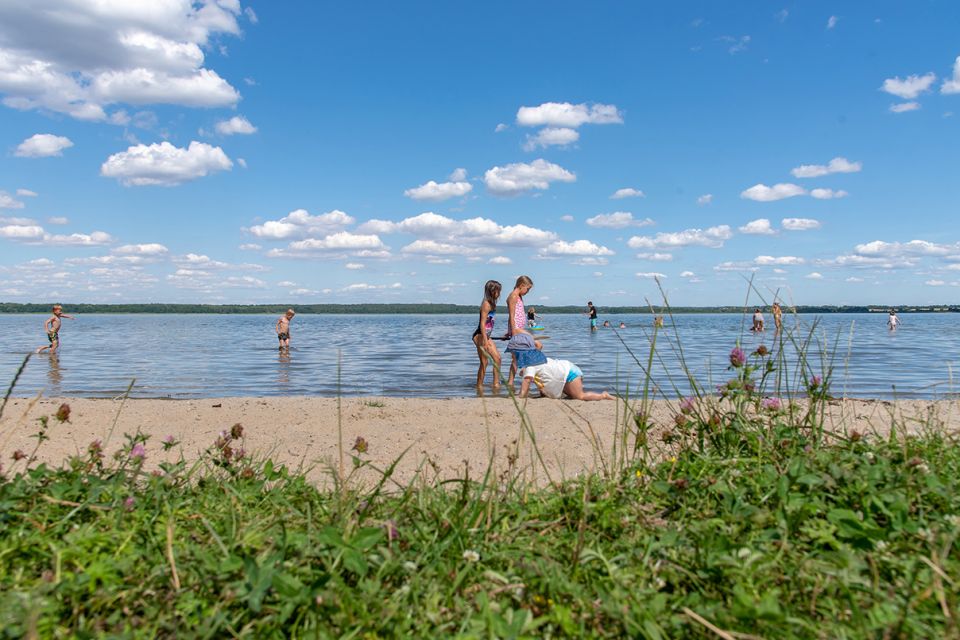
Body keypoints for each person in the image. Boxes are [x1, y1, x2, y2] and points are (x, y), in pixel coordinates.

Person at [512, 340, 612, 401]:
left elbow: (527, 380)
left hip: (570, 373)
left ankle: (603, 395)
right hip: (566, 371)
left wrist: (521, 395)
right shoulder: (535, 358)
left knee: (580, 396)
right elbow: (539, 345)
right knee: (568, 395)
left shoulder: (531, 365)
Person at [506, 275, 539, 385]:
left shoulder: (519, 296)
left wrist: (509, 331)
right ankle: (525, 369)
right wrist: (513, 331)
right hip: (516, 329)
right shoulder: (513, 296)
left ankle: (510, 382)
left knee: (515, 358)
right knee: (538, 345)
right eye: (528, 289)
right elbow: (511, 315)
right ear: (521, 285)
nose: (528, 291)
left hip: (517, 329)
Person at [472, 280, 503, 389]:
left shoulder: (492, 303)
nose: (499, 293)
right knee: (484, 362)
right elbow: (482, 323)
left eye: (499, 291)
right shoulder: (486, 304)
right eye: (497, 291)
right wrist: (485, 341)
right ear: (491, 291)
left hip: (486, 336)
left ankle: (495, 383)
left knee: (498, 359)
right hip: (480, 335)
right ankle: (479, 386)